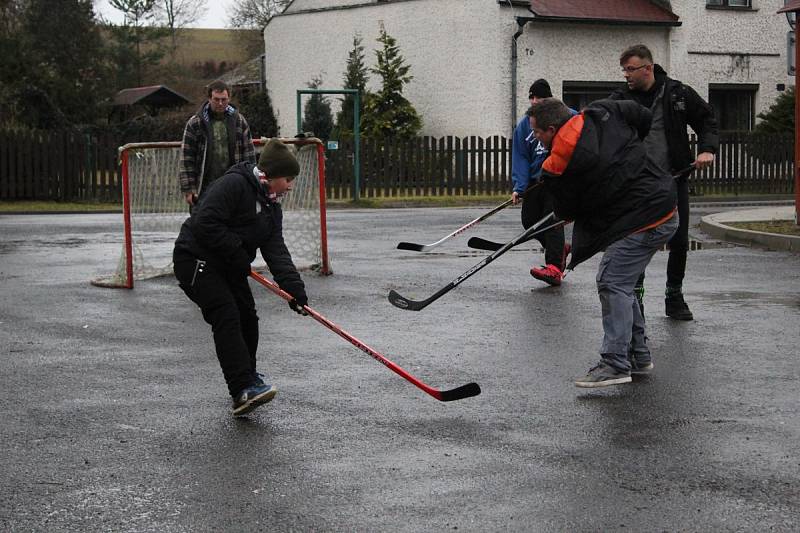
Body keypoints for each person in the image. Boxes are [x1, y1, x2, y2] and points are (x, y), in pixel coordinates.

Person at [530, 97, 678, 388]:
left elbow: (569, 209)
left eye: (536, 132)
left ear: (551, 128)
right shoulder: (603, 112)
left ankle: (615, 363)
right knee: (621, 283)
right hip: (661, 204)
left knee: (612, 282)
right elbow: (642, 115)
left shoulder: (558, 165)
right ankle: (637, 356)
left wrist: (565, 214)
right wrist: (633, 153)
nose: (534, 137)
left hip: (643, 218)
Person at [173, 139, 309, 416]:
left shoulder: (272, 209)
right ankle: (241, 388)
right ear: (271, 175)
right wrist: (236, 251)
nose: (290, 186)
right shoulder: (234, 185)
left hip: (227, 264)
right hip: (195, 260)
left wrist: (294, 290)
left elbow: (277, 252)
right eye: (287, 179)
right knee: (227, 314)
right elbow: (204, 222)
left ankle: (249, 376)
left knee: (248, 315)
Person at [609, 44, 718, 321]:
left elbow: (707, 120)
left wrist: (708, 149)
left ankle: (674, 295)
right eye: (624, 71)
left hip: (674, 178)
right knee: (636, 239)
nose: (626, 76)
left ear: (648, 68)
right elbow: (602, 127)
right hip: (636, 184)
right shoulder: (621, 98)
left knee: (679, 239)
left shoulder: (677, 93)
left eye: (631, 69)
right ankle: (636, 296)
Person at [510, 79, 570, 286]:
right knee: (529, 221)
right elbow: (520, 156)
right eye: (532, 97)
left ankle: (554, 266)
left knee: (550, 220)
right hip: (536, 181)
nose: (535, 101)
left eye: (540, 98)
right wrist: (519, 186)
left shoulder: (564, 115)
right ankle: (559, 249)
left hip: (557, 179)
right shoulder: (524, 125)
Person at [179, 80, 256, 207]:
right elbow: (187, 158)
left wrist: (250, 183)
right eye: (216, 99)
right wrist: (189, 189)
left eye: (224, 99)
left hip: (233, 185)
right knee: (203, 223)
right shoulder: (195, 123)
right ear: (209, 98)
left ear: (229, 98)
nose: (220, 103)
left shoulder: (239, 121)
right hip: (204, 186)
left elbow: (249, 155)